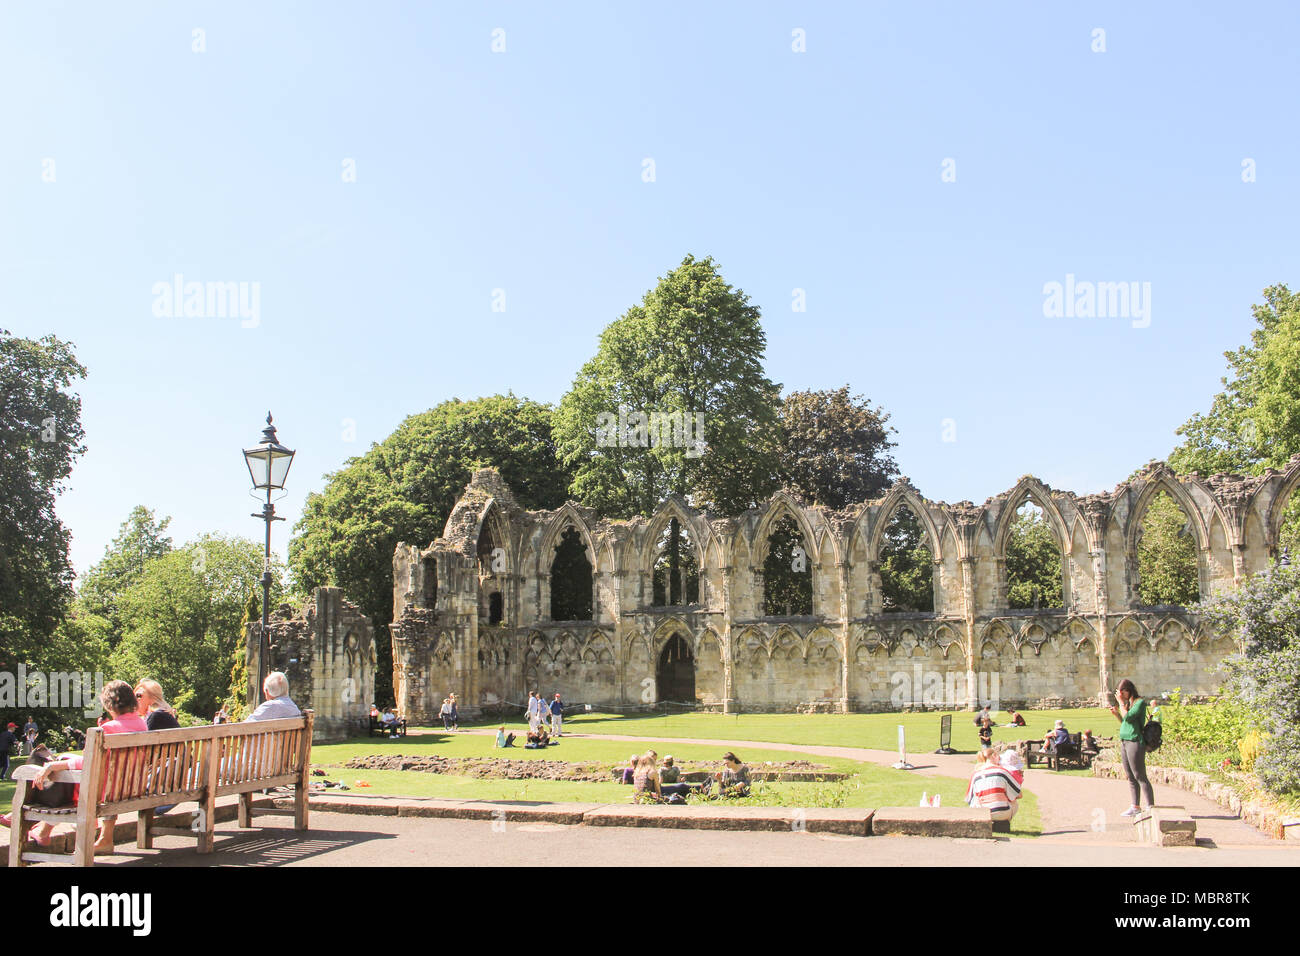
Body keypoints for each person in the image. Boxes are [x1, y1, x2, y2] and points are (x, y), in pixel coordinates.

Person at [3, 681, 147, 854]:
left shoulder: (107, 729)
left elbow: (89, 762)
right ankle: (42, 831)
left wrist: (53, 765)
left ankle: (23, 819)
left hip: (102, 792)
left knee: (61, 768)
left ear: (109, 705)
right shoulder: (141, 725)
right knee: (65, 762)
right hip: (128, 788)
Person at [1110, 679, 1155, 817]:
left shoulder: (1139, 703)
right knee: (1130, 776)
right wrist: (1117, 714)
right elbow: (1125, 722)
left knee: (1140, 775)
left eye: (1120, 691)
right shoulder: (1129, 704)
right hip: (1125, 741)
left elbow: (1129, 718)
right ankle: (1135, 806)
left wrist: (1121, 704)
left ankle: (1150, 806)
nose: (1119, 694)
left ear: (1127, 690)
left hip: (1135, 741)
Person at [965, 748, 1022, 824]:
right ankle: (1003, 823)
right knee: (1014, 802)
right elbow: (1019, 794)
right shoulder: (1002, 771)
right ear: (994, 755)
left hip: (982, 813)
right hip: (1002, 813)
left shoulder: (975, 774)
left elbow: (970, 799)